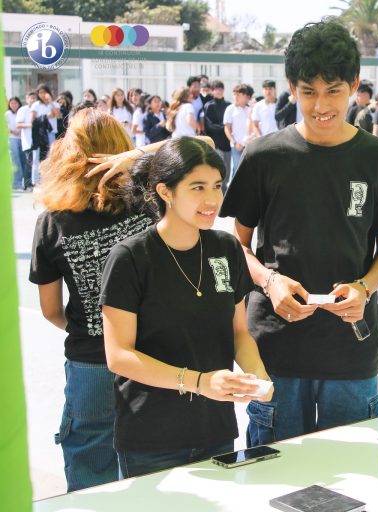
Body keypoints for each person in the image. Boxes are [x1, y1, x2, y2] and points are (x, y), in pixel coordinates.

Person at [220, 19, 378, 446]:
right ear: (292, 87)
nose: (320, 105)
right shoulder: (263, 156)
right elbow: (237, 246)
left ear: (354, 85)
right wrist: (270, 283)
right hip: (273, 347)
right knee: (276, 479)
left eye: (333, 91)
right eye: (308, 91)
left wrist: (363, 288)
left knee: (355, 472)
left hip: (350, 349)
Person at [96, 136, 272, 479]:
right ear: (165, 191)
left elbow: (239, 333)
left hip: (215, 431)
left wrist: (256, 375)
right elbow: (118, 355)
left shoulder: (225, 248)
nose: (212, 200)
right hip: (151, 438)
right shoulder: (131, 258)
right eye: (197, 188)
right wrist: (199, 382)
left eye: (217, 186)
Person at [29, 109, 155, 491]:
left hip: (90, 360)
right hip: (154, 356)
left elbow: (50, 310)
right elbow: (203, 147)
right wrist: (140, 159)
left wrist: (94, 327)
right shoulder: (151, 202)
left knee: (89, 473)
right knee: (151, 469)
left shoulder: (53, 222)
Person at [203, 80, 232, 189]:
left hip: (228, 143)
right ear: (212, 91)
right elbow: (209, 125)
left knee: (228, 171)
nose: (219, 91)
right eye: (216, 89)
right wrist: (225, 127)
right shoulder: (209, 106)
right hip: (216, 144)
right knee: (218, 171)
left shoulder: (229, 105)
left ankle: (225, 196)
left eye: (221, 89)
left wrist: (227, 129)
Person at [223, 83, 254, 182]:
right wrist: (235, 142)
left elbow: (254, 127)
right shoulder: (230, 109)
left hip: (249, 145)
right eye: (234, 94)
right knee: (236, 170)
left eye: (238, 95)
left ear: (246, 97)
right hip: (236, 146)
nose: (235, 97)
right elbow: (227, 128)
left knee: (250, 171)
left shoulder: (251, 109)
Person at [15, 91, 36, 190]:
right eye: (30, 98)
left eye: (34, 98)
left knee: (36, 163)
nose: (32, 100)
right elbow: (18, 125)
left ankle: (33, 183)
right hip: (28, 141)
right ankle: (27, 184)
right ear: (27, 99)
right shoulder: (23, 110)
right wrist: (30, 125)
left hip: (38, 141)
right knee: (29, 162)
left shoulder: (38, 108)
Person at [7, 96, 25, 191]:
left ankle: (23, 182)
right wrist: (13, 131)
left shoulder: (22, 112)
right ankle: (16, 183)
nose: (13, 105)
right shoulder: (7, 114)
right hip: (12, 138)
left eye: (15, 103)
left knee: (23, 160)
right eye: (12, 103)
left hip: (23, 139)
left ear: (19, 104)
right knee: (16, 160)